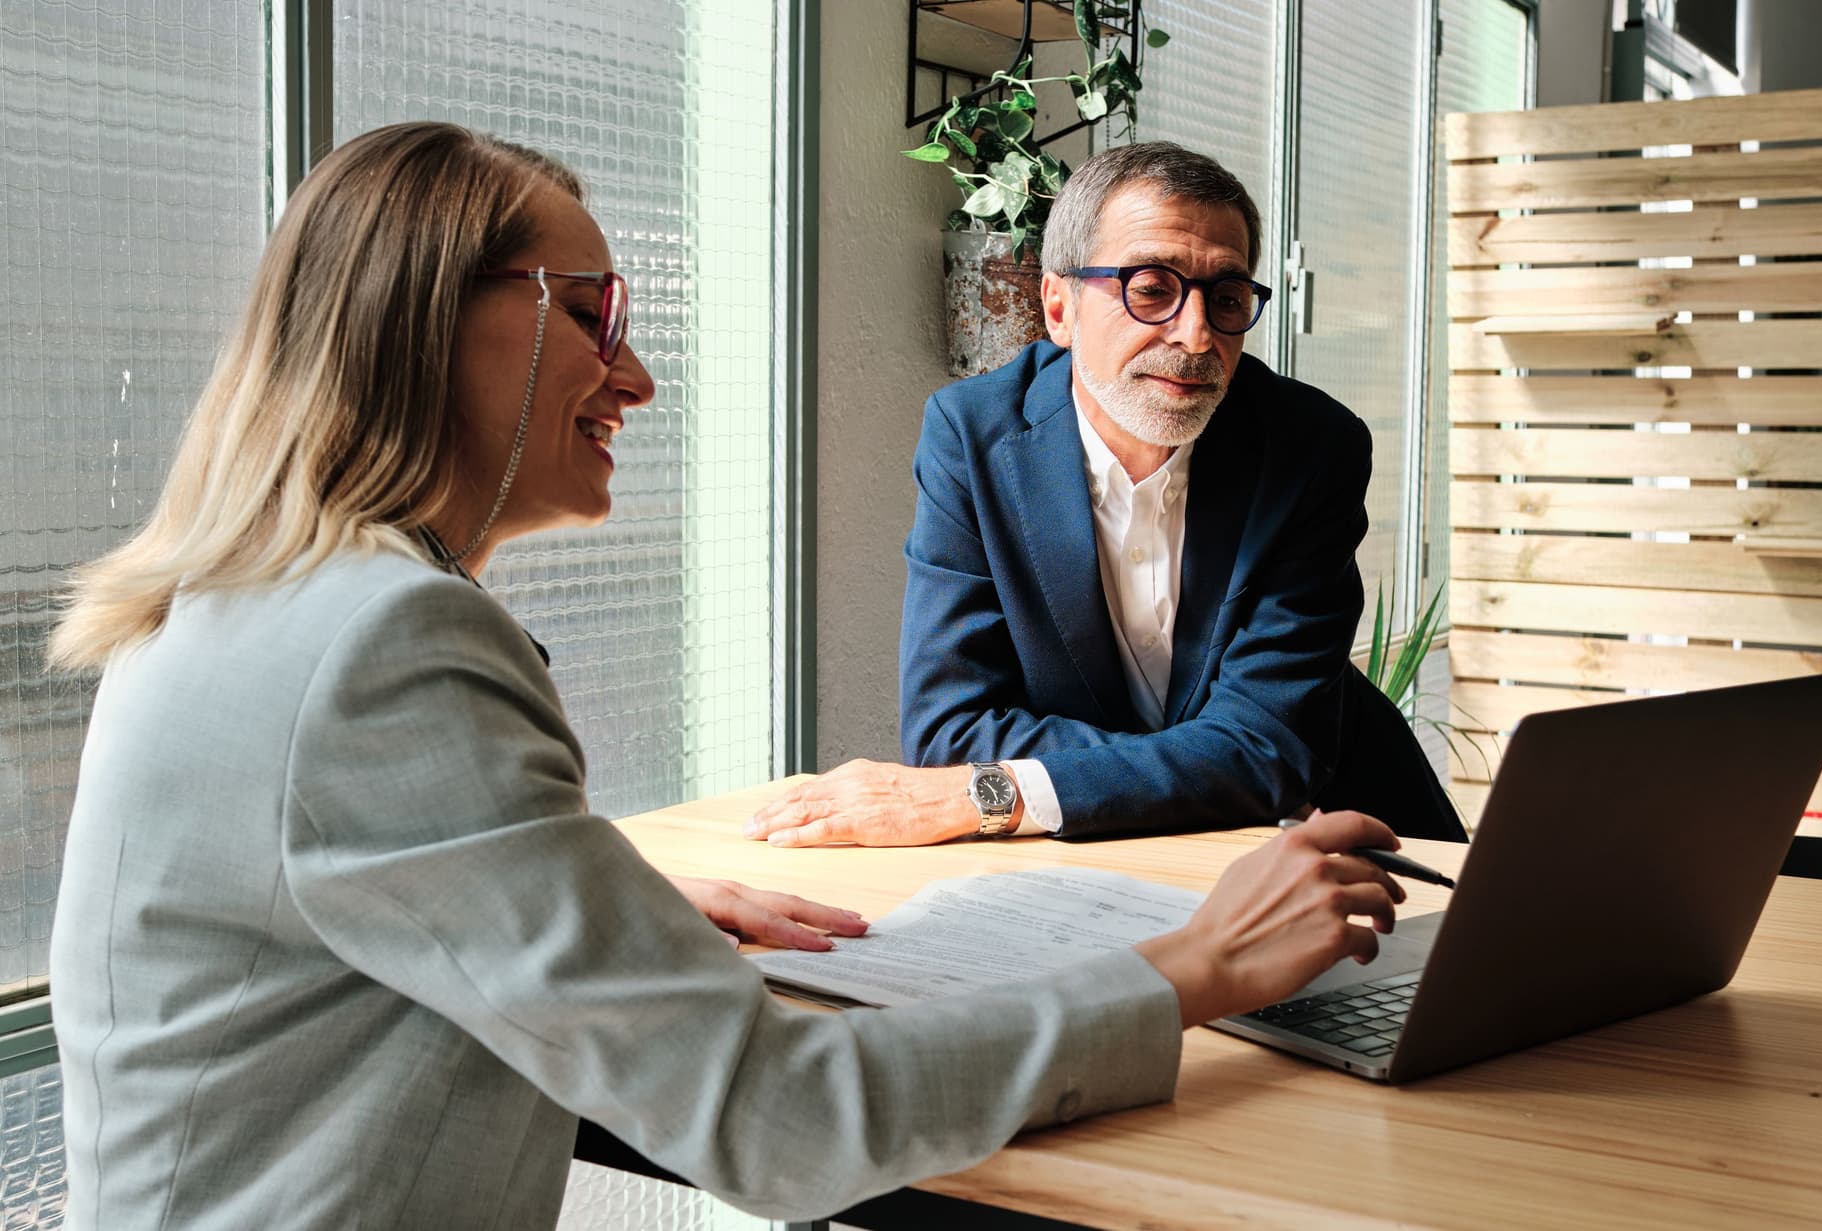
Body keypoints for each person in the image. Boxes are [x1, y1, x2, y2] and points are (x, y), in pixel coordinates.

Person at [44, 123, 1406, 1228]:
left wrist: (585, 891)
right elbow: (781, 1116)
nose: (634, 374)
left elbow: (317, 899)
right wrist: (1191, 966)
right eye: (593, 312)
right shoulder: (385, 643)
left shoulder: (235, 596)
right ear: (422, 323)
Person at [747, 142, 1373, 848]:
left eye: (1226, 298)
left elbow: (1266, 746)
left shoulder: (1312, 448)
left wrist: (1005, 788)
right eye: (1151, 287)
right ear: (1058, 307)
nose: (1197, 335)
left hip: (1312, 841)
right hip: (1073, 866)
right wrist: (1191, 762)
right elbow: (950, 728)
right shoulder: (973, 438)